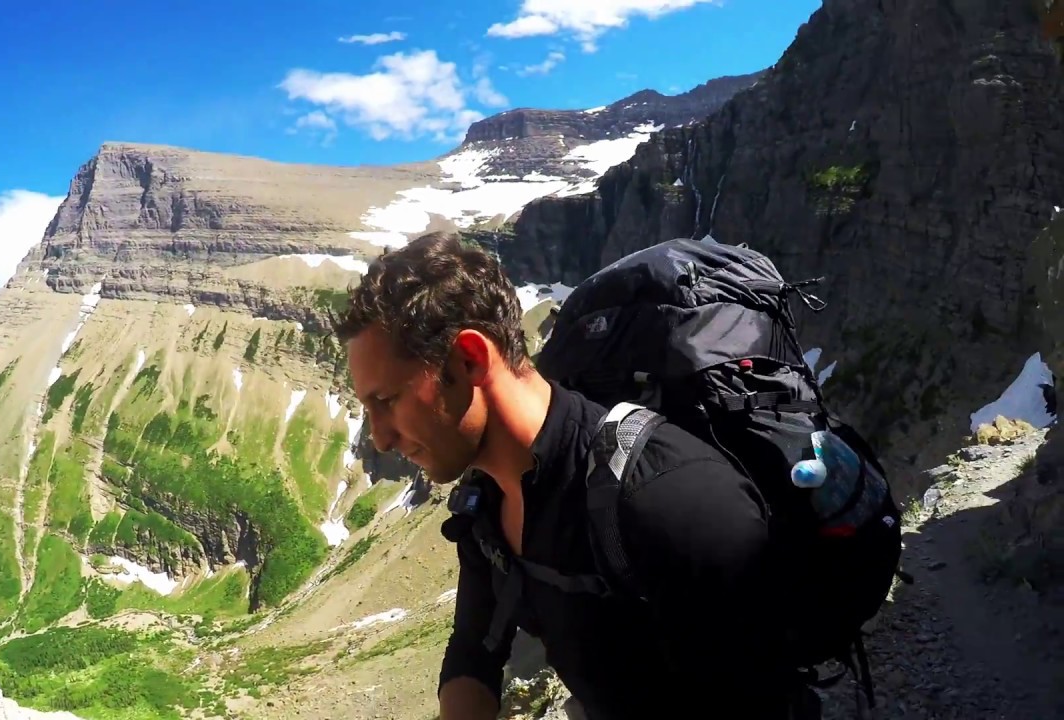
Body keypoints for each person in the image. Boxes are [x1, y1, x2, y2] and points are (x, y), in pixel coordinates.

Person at [334, 232, 813, 719]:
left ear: (470, 360)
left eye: (386, 401)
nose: (379, 439)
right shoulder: (487, 499)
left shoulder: (669, 498)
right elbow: (475, 646)